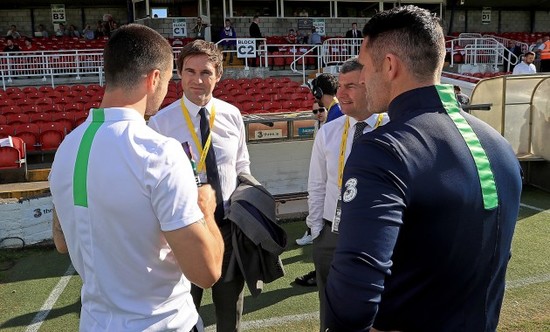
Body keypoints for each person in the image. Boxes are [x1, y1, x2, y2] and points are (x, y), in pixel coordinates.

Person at [325, 6, 523, 331]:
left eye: (363, 67)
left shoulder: (383, 150)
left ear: (389, 65)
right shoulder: (498, 143)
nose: (361, 78)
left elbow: (351, 303)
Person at [49, 24, 224, 331]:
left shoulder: (66, 147)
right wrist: (207, 211)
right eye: (169, 79)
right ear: (154, 78)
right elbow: (206, 272)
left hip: (95, 322)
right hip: (163, 323)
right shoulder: (158, 152)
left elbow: (62, 241)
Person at [148, 39, 251, 332]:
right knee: (182, 316)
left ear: (218, 75)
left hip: (228, 230)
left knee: (230, 315)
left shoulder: (232, 115)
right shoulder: (161, 124)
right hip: (184, 232)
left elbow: (242, 166)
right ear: (179, 74)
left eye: (205, 72)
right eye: (189, 71)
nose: (197, 80)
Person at [307, 58, 390, 331]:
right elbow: (317, 184)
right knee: (329, 308)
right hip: (332, 233)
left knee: (377, 307)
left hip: (378, 236)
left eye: (351, 86)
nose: (341, 93)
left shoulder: (394, 128)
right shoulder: (329, 132)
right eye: (340, 86)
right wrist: (318, 230)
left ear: (370, 87)